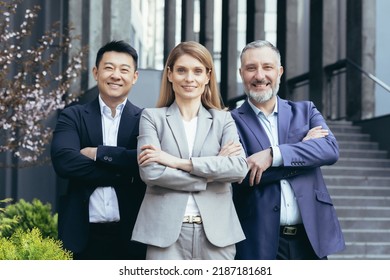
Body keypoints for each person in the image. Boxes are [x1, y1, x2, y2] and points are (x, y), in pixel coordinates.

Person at [131, 41, 248, 260]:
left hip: (217, 235)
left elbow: (238, 169)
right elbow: (151, 172)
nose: (189, 78)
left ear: (207, 76)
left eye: (197, 71)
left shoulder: (223, 119)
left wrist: (176, 162)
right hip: (164, 236)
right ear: (169, 74)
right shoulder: (151, 117)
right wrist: (211, 174)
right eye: (181, 70)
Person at [231, 40, 345, 260]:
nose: (260, 75)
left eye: (267, 67)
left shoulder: (305, 111)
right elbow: (242, 175)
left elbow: (330, 150)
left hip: (310, 238)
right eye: (251, 68)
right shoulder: (229, 121)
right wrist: (303, 151)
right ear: (241, 73)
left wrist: (273, 155)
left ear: (280, 72)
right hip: (258, 240)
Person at [51, 40, 146, 260]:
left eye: (124, 70)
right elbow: (64, 161)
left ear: (135, 77)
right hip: (81, 236)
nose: (116, 75)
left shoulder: (145, 119)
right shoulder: (73, 115)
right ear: (96, 72)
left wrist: (98, 154)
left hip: (131, 237)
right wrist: (126, 174)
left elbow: (146, 162)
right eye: (109, 68)